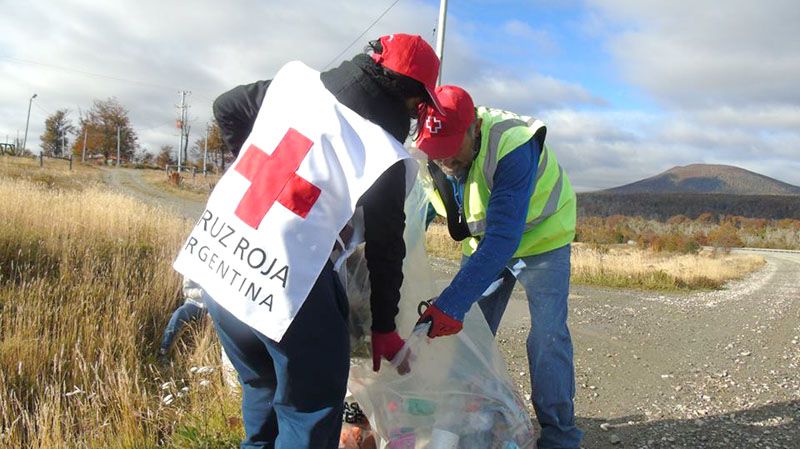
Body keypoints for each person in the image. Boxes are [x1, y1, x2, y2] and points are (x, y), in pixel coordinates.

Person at [209, 34, 442, 449]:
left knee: (261, 392)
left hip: (221, 263)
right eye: (417, 105)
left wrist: (252, 168)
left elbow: (226, 105)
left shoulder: (294, 85)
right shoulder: (381, 149)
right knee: (309, 414)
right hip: (288, 285)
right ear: (408, 97)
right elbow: (387, 247)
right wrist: (385, 327)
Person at [414, 85, 582, 449]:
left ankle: (560, 437)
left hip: (542, 239)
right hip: (483, 244)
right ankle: (465, 425)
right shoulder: (430, 150)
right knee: (468, 339)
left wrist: (451, 303)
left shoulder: (513, 145)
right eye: (435, 154)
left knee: (547, 337)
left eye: (450, 154)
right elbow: (419, 213)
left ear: (473, 128)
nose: (443, 163)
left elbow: (503, 237)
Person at [159, 277, 207, 360]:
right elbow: (186, 291)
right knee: (178, 314)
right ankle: (164, 349)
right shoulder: (191, 268)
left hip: (214, 307)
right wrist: (201, 293)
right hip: (194, 303)